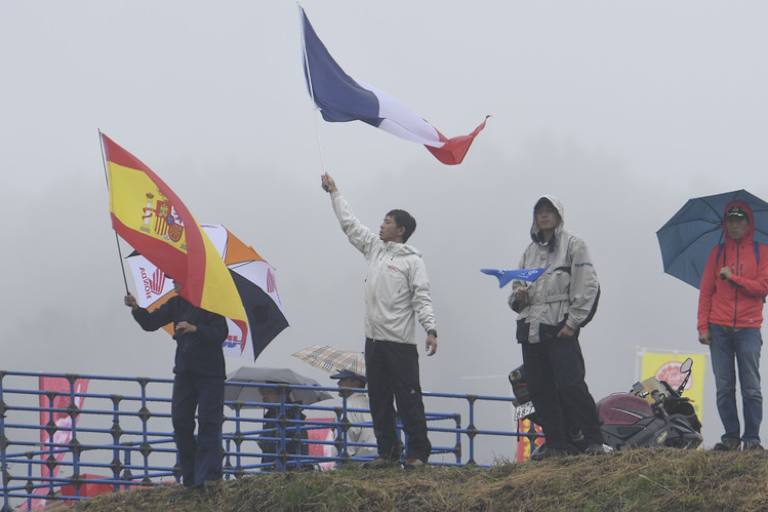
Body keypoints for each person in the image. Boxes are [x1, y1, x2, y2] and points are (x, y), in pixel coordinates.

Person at [321, 173, 437, 469]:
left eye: (387, 222)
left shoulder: (413, 261)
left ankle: (419, 453)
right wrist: (335, 193)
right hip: (373, 341)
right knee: (379, 399)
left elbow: (421, 297)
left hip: (400, 343)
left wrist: (430, 328)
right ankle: (388, 452)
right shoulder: (374, 249)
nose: (381, 225)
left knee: (408, 399)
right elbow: (351, 226)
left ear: (400, 230)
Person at [509, 195, 605, 459]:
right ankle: (556, 443)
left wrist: (573, 322)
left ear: (559, 215)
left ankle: (594, 438)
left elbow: (588, 286)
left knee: (571, 384)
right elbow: (516, 288)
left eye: (549, 210)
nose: (544, 215)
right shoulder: (528, 252)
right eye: (539, 211)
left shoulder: (574, 245)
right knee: (539, 388)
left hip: (559, 325)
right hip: (530, 328)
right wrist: (518, 296)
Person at [124, 279, 228, 487]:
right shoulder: (175, 303)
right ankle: (190, 477)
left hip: (210, 374)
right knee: (180, 422)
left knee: (209, 423)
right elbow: (150, 323)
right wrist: (136, 308)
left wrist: (196, 329)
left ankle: (209, 476)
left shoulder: (211, 302)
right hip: (184, 372)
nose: (173, 282)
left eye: (177, 279)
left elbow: (220, 333)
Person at [698, 201, 768, 451]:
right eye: (731, 220)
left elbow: (763, 287)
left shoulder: (762, 252)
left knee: (751, 387)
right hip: (719, 329)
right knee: (724, 387)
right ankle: (730, 437)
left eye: (740, 220)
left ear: (749, 224)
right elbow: (706, 291)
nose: (735, 224)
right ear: (725, 224)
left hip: (749, 329)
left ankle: (752, 439)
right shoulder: (716, 254)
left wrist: (734, 278)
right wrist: (702, 326)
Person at [257, 387, 310, 469]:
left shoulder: (291, 417)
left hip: (288, 469)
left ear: (282, 395)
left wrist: (263, 441)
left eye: (269, 392)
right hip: (276, 468)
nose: (264, 397)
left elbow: (283, 444)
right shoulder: (274, 415)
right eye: (263, 394)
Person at [330, 369, 377, 460]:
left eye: (343, 380)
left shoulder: (347, 406)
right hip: (378, 457)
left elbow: (345, 442)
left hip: (358, 462)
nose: (338, 383)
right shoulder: (372, 404)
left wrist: (342, 463)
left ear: (356, 383)